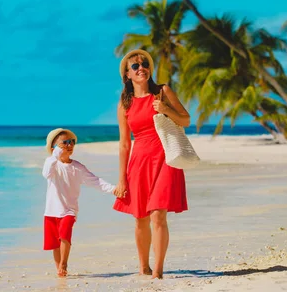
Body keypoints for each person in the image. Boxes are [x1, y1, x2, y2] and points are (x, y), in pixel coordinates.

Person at [112, 49, 190, 279]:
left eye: (144, 63)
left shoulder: (162, 92)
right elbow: (125, 144)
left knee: (158, 214)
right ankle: (143, 266)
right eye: (135, 66)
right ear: (127, 74)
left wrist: (165, 109)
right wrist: (121, 178)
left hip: (166, 158)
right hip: (140, 161)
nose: (141, 68)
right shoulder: (124, 105)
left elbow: (185, 119)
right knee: (140, 218)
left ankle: (158, 270)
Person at [42, 128, 121, 277]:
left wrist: (113, 189)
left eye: (71, 142)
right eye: (64, 143)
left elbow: (96, 181)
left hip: (69, 210)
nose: (69, 145)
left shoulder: (77, 167)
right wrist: (55, 155)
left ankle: (64, 263)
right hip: (51, 211)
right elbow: (46, 173)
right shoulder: (51, 164)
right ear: (54, 148)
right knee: (55, 244)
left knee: (65, 235)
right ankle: (59, 268)